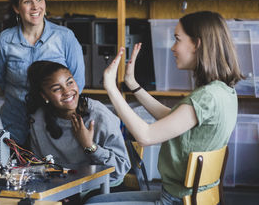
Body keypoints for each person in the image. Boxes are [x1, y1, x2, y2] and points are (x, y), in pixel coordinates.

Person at [86, 11, 244, 205]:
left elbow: (146, 136)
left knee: (92, 204)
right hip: (186, 196)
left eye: (177, 39)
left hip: (176, 200)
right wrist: (133, 85)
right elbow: (171, 119)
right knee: (96, 200)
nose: (172, 47)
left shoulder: (207, 97)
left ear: (197, 44)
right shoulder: (223, 91)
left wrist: (111, 88)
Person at [0, 0, 85, 146]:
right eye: (27, 1)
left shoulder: (64, 37)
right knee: (12, 170)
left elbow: (78, 81)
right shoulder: (4, 41)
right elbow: (1, 81)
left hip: (54, 125)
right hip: (14, 123)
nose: (35, 7)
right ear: (16, 8)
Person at [26, 60, 130, 203]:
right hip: (61, 190)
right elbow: (38, 167)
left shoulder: (99, 115)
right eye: (57, 89)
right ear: (44, 96)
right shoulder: (38, 120)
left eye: (70, 82)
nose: (67, 91)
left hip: (102, 189)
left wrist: (90, 146)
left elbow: (121, 169)